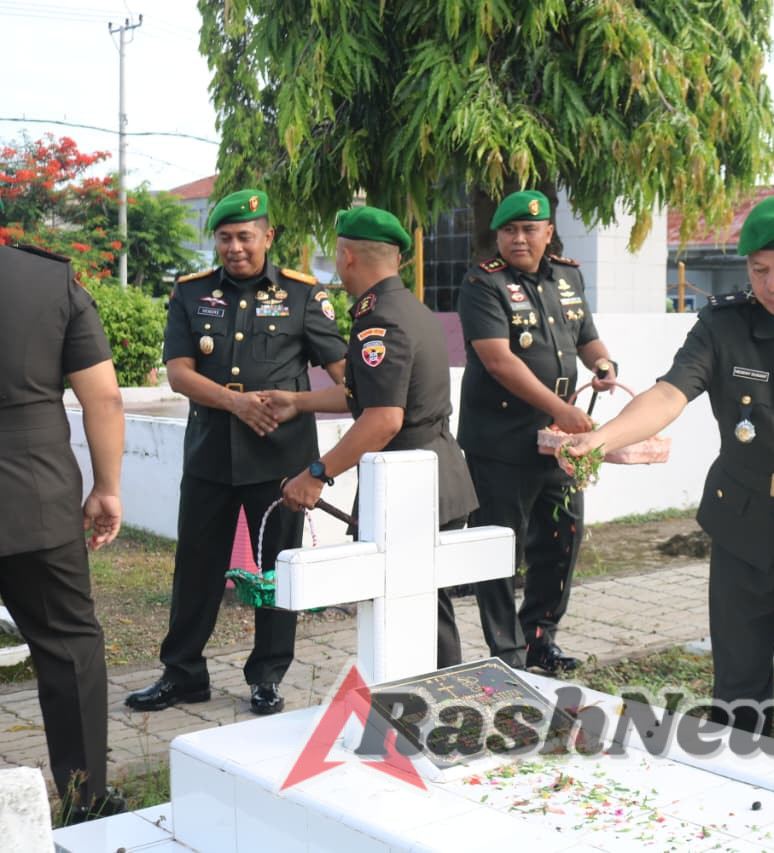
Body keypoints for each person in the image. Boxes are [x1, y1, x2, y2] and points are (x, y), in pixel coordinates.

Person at [561, 193, 774, 754]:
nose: (771, 284)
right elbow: (669, 394)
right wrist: (601, 438)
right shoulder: (723, 326)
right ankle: (741, 787)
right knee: (739, 692)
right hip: (744, 530)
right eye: (759, 270)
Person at [126, 189, 347, 716]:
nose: (234, 247)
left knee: (276, 570)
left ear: (268, 237)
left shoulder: (302, 295)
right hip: (210, 457)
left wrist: (301, 403)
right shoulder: (191, 293)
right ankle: (182, 675)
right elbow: (179, 374)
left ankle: (267, 677)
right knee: (196, 570)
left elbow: (347, 379)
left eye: (245, 237)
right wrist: (236, 403)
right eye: (224, 238)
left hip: (281, 462)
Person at [270, 205, 478, 667]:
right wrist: (299, 401)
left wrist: (317, 473)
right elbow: (366, 394)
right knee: (426, 606)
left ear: (346, 256)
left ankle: (430, 700)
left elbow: (384, 418)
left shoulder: (380, 320)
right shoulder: (410, 309)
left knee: (414, 613)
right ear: (396, 258)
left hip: (409, 486)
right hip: (432, 475)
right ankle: (428, 697)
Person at [456, 189, 617, 674]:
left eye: (529, 229)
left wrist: (603, 363)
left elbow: (585, 335)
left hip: (559, 443)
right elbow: (498, 361)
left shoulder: (567, 276)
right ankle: (507, 652)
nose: (519, 238)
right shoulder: (483, 283)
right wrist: (561, 409)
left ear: (548, 232)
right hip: (501, 441)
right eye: (509, 230)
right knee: (498, 548)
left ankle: (540, 638)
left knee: (562, 538)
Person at [0, 243, 125, 822]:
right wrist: (107, 487)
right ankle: (85, 802)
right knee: (69, 646)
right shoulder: (49, 280)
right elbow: (105, 397)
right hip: (35, 498)